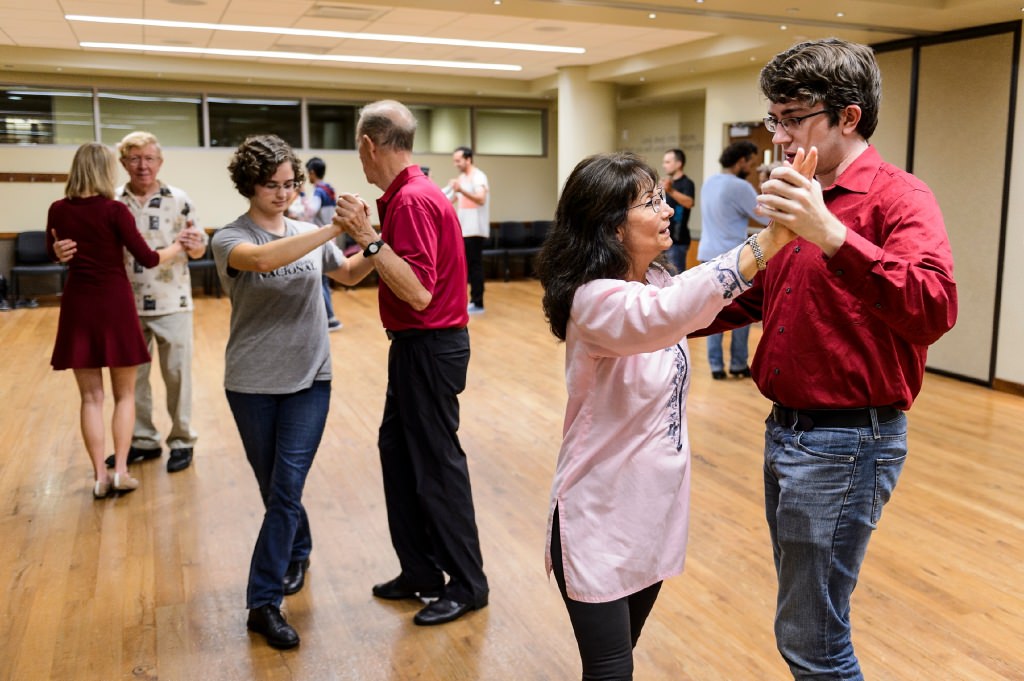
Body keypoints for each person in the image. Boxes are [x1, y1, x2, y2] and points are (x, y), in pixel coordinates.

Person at [704, 38, 958, 680]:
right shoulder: (802, 193)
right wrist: (649, 309)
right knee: (807, 621)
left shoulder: (898, 197)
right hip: (787, 434)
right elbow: (759, 295)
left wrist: (835, 237)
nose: (780, 138)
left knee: (812, 637)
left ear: (848, 115)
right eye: (775, 120)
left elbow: (933, 307)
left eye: (794, 119)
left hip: (848, 442)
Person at [535, 150, 813, 681]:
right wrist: (768, 241)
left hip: (651, 513)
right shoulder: (594, 301)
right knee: (612, 671)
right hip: (598, 515)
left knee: (624, 657)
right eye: (649, 202)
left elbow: (691, 292)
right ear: (612, 227)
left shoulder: (659, 281)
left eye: (663, 197)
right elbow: (665, 318)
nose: (666, 211)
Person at [211, 134, 373, 649]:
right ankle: (298, 550)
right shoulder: (229, 238)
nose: (282, 194)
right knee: (275, 489)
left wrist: (374, 240)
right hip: (253, 382)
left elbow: (345, 274)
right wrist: (334, 226)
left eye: (289, 184)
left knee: (284, 491)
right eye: (271, 186)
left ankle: (263, 603)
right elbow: (261, 262)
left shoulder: (308, 231)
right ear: (249, 185)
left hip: (311, 379)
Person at [333, 100, 489, 627]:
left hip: (430, 346)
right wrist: (310, 251)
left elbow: (418, 292)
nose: (361, 160)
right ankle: (421, 571)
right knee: (398, 457)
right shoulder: (403, 197)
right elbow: (361, 271)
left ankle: (468, 584)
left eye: (360, 150)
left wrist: (366, 236)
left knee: (436, 469)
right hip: (414, 349)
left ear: (369, 145)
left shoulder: (413, 202)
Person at [47, 143, 186, 498]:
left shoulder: (58, 209)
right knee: (124, 396)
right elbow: (149, 259)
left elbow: (57, 251)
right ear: (107, 170)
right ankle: (121, 471)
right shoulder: (115, 210)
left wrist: (58, 254)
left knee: (90, 398)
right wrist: (178, 246)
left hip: (78, 304)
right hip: (115, 304)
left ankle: (99, 476)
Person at [106, 131, 206, 473]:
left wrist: (194, 245)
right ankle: (143, 440)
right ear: (123, 163)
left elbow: (200, 248)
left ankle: (181, 441)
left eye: (149, 158)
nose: (142, 165)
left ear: (159, 162)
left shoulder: (179, 199)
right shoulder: (112, 201)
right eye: (134, 159)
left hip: (173, 301)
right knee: (134, 380)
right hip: (125, 305)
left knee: (178, 376)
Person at [696, 140, 770, 380]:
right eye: (751, 162)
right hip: (733, 260)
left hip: (707, 255)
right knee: (741, 312)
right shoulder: (740, 186)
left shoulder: (710, 182)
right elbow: (765, 218)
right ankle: (738, 364)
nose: (752, 166)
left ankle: (716, 366)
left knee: (711, 313)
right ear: (741, 161)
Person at [443, 146, 490, 314]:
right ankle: (466, 300)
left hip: (475, 229)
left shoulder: (478, 176)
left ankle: (478, 302)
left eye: (458, 160)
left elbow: (481, 199)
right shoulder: (462, 178)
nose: (456, 164)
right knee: (463, 266)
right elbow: (451, 199)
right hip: (463, 230)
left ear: (468, 159)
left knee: (474, 265)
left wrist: (461, 189)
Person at [304, 156, 343, 332]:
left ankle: (329, 318)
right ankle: (330, 316)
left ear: (312, 172)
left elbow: (311, 211)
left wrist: (303, 196)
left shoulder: (319, 191)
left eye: (308, 173)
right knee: (324, 279)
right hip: (331, 237)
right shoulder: (330, 189)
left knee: (319, 279)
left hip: (320, 239)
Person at [660, 148, 695, 272]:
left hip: (678, 242)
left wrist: (670, 191)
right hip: (663, 238)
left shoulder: (687, 183)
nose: (664, 165)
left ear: (679, 164)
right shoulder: (668, 184)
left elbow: (689, 203)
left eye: (668, 162)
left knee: (675, 280)